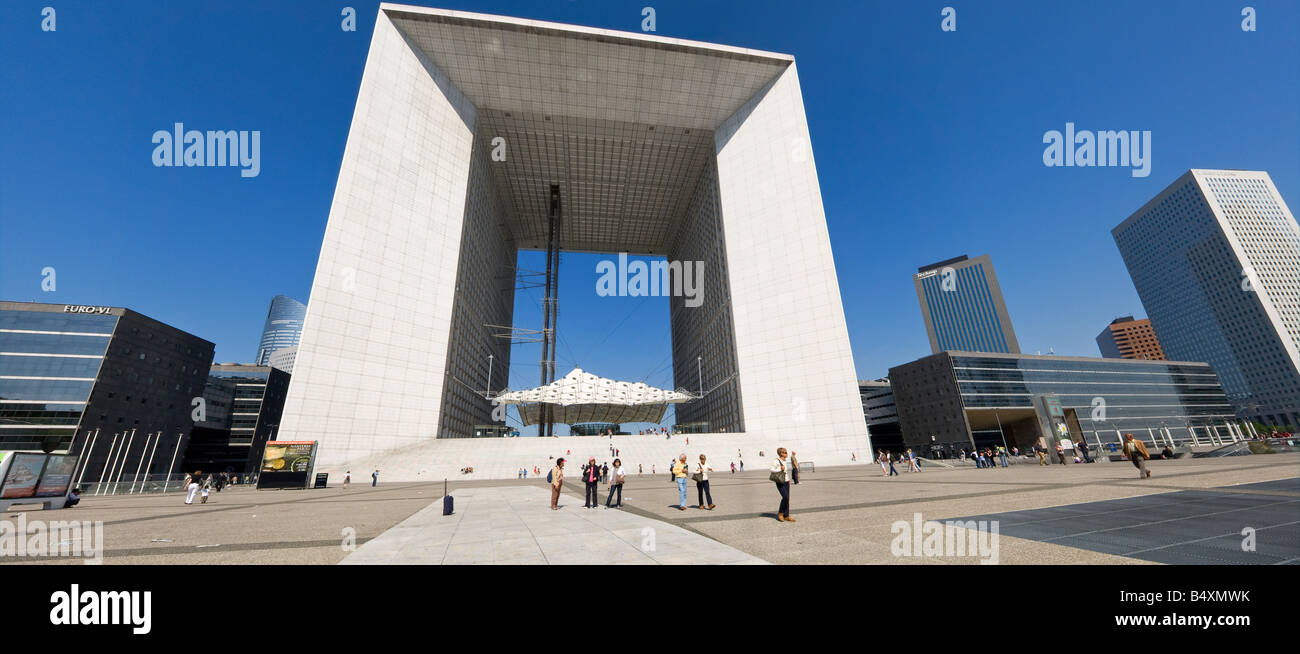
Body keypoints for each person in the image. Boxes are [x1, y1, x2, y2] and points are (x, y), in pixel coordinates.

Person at [770, 447, 795, 522]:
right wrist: (780, 468)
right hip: (780, 481)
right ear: (780, 453)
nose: (786, 454)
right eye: (785, 452)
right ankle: (780, 513)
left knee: (787, 499)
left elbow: (785, 472)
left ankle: (786, 515)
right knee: (785, 497)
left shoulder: (785, 461)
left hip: (786, 481)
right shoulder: (776, 461)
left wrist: (789, 480)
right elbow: (771, 469)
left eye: (786, 452)